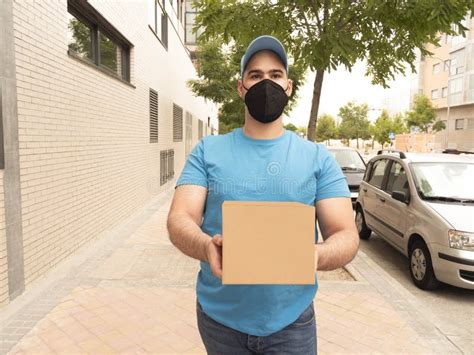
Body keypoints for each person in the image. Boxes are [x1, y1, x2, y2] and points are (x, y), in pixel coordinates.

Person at [167, 35, 359, 354]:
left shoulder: (317, 158)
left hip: (291, 323)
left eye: (275, 75)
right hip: (220, 321)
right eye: (255, 75)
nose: (265, 82)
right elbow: (179, 218)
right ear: (240, 87)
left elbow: (346, 234)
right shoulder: (207, 151)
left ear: (288, 86)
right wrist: (205, 247)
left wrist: (315, 255)